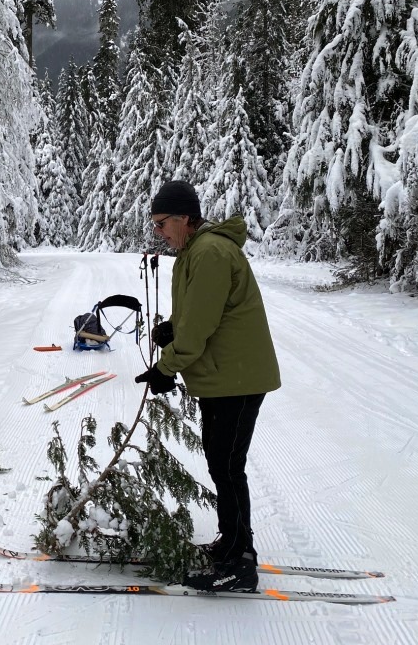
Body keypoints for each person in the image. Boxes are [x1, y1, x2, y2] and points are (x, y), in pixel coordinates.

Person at [134, 180, 281, 593]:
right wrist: (172, 331)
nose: (158, 231)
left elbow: (199, 329)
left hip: (237, 377)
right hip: (223, 376)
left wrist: (167, 366)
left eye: (162, 223)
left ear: (184, 218)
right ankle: (232, 545)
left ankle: (239, 562)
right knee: (222, 463)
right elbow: (200, 315)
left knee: (227, 466)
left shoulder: (211, 253)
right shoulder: (194, 253)